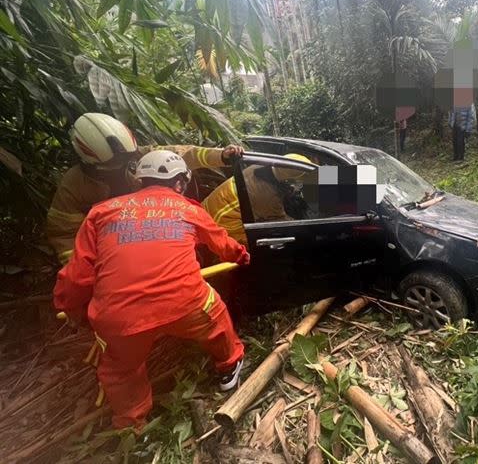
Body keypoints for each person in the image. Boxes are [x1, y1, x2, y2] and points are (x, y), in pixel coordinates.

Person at [53, 150, 250, 430]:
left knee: (121, 371)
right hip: (185, 303)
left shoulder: (102, 212)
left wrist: (71, 309)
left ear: (138, 180)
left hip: (119, 318)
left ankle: (131, 426)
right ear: (180, 183)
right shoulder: (189, 209)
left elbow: (78, 274)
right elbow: (224, 245)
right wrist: (243, 257)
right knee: (215, 315)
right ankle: (230, 365)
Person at [46, 113, 243, 265]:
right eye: (116, 163)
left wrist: (220, 156)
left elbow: (180, 154)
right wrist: (87, 269)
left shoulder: (135, 155)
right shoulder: (74, 185)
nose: (124, 165)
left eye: (127, 160)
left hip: (156, 234)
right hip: (110, 252)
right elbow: (63, 235)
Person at [202, 154, 313, 245]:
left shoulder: (259, 165)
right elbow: (281, 221)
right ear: (291, 178)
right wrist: (306, 226)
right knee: (259, 247)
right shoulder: (269, 197)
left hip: (205, 210)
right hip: (220, 226)